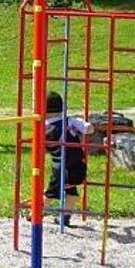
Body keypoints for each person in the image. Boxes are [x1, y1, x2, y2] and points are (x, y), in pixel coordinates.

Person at [42, 91, 93, 226]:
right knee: (71, 191)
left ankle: (38, 212)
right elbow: (88, 128)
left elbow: (43, 147)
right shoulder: (70, 120)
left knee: (51, 192)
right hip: (78, 162)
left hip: (60, 164)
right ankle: (65, 216)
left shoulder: (44, 126)